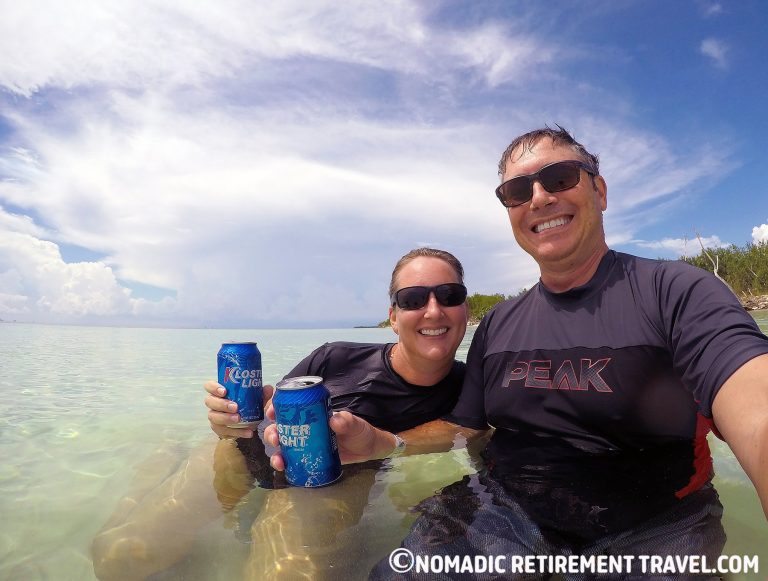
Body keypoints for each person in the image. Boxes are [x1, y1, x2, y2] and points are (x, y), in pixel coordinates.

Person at [266, 127, 768, 578]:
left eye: (561, 176)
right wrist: (385, 444)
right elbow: (465, 427)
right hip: (501, 510)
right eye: (517, 191)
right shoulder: (501, 323)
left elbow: (755, 407)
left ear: (600, 190)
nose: (540, 198)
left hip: (656, 525)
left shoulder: (676, 292)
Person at [92, 247, 487, 580]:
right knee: (119, 559)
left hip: (330, 484)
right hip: (245, 456)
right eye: (414, 299)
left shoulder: (471, 388)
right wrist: (228, 420)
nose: (433, 310)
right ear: (394, 317)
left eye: (449, 295)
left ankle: (167, 464)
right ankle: (156, 469)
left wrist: (388, 446)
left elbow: (469, 433)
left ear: (464, 309)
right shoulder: (334, 355)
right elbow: (264, 410)